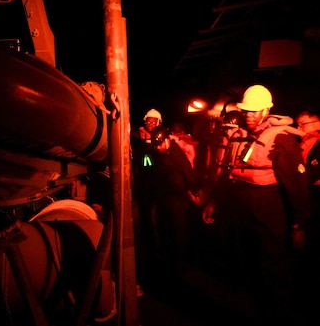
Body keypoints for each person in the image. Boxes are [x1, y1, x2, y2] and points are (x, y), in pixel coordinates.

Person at [201, 85, 310, 326]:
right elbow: (227, 174)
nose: (248, 115)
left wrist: (299, 224)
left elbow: (296, 187)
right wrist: (214, 201)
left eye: (254, 110)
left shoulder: (281, 140)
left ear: (267, 110)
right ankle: (252, 310)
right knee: (245, 264)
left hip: (269, 210)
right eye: (245, 110)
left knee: (273, 268)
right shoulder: (238, 136)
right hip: (241, 208)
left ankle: (278, 315)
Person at [149, 125, 202, 281]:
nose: (158, 147)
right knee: (164, 230)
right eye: (156, 145)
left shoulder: (176, 154)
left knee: (177, 233)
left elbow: (188, 172)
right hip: (163, 199)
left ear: (167, 140)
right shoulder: (158, 154)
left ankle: (180, 267)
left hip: (177, 200)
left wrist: (193, 189)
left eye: (160, 144)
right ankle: (169, 262)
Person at [295, 108, 320, 318]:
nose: (299, 128)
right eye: (298, 124)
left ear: (316, 122)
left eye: (303, 123)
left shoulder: (317, 143)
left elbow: (311, 171)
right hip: (306, 192)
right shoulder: (302, 142)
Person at [131, 109, 162, 266]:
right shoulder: (137, 137)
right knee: (145, 216)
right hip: (143, 182)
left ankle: (159, 248)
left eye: (153, 121)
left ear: (159, 123)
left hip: (159, 184)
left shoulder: (163, 137)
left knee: (158, 217)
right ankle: (147, 248)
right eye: (148, 121)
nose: (150, 124)